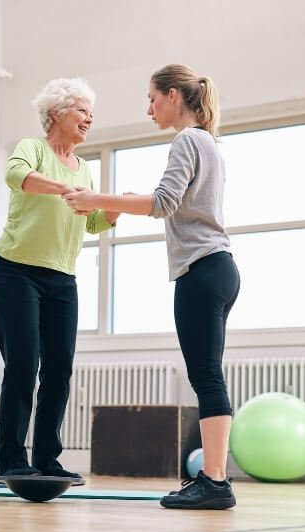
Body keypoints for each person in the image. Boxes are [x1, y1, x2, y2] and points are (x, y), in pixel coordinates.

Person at [63, 64, 240, 509]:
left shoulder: (188, 139)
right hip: (219, 268)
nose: (149, 109)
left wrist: (97, 199)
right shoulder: (210, 144)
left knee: (205, 377)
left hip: (202, 270)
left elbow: (163, 203)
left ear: (175, 95)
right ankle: (216, 480)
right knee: (209, 375)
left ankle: (216, 482)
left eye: (152, 98)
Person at [0, 78, 119, 484]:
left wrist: (112, 211)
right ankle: (12, 458)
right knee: (23, 365)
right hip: (16, 270)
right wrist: (64, 188)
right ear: (57, 113)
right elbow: (17, 176)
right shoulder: (33, 148)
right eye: (81, 110)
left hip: (62, 278)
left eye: (90, 112)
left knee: (59, 369)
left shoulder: (86, 169)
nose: (89, 117)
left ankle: (48, 457)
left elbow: (92, 220)